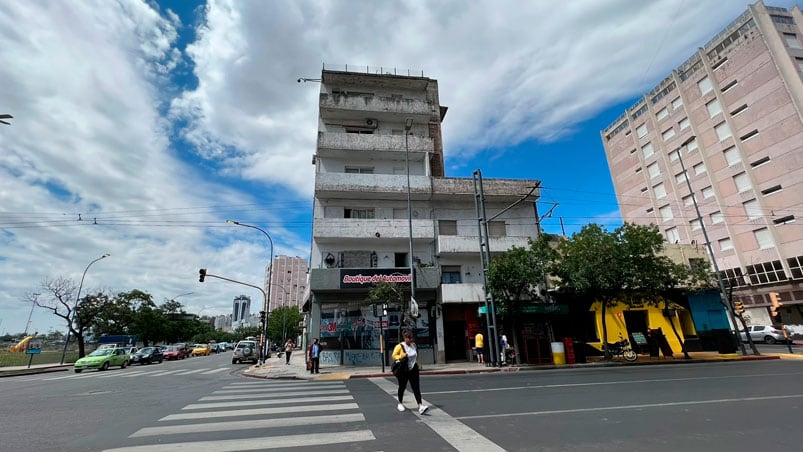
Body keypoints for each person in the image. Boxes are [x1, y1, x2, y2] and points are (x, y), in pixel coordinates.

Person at [392, 331, 429, 415]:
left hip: (414, 369)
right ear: (405, 338)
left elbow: (416, 355)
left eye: (411, 338)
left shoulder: (414, 345)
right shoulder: (400, 346)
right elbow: (394, 356)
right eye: (409, 338)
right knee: (402, 386)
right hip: (404, 369)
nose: (411, 339)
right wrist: (402, 356)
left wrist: (417, 364)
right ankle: (400, 403)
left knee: (416, 387)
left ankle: (420, 406)